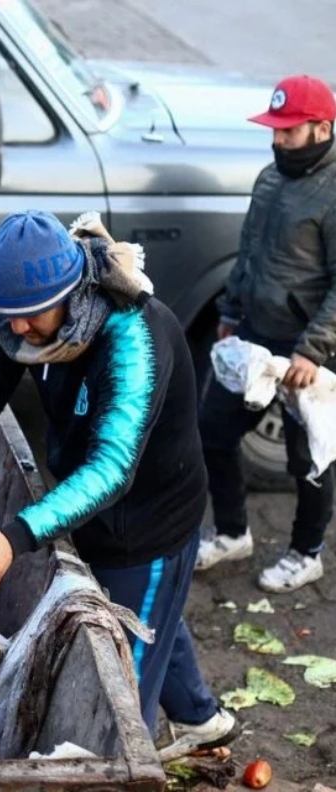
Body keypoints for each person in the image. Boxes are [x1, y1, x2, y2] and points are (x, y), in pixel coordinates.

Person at [0, 210, 238, 758]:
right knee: (151, 615)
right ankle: (202, 719)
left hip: (146, 521)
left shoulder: (133, 339)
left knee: (117, 697)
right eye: (8, 316)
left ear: (70, 292)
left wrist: (14, 538)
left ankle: (125, 762)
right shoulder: (16, 312)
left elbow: (112, 468)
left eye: (30, 317)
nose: (16, 330)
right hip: (85, 501)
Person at [195, 74, 336, 592]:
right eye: (274, 130)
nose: (277, 140)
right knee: (213, 432)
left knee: (309, 459)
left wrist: (313, 351)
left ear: (322, 129)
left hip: (310, 352)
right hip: (254, 336)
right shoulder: (269, 179)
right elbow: (249, 253)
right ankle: (233, 531)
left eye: (289, 132)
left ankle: (307, 552)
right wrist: (230, 313)